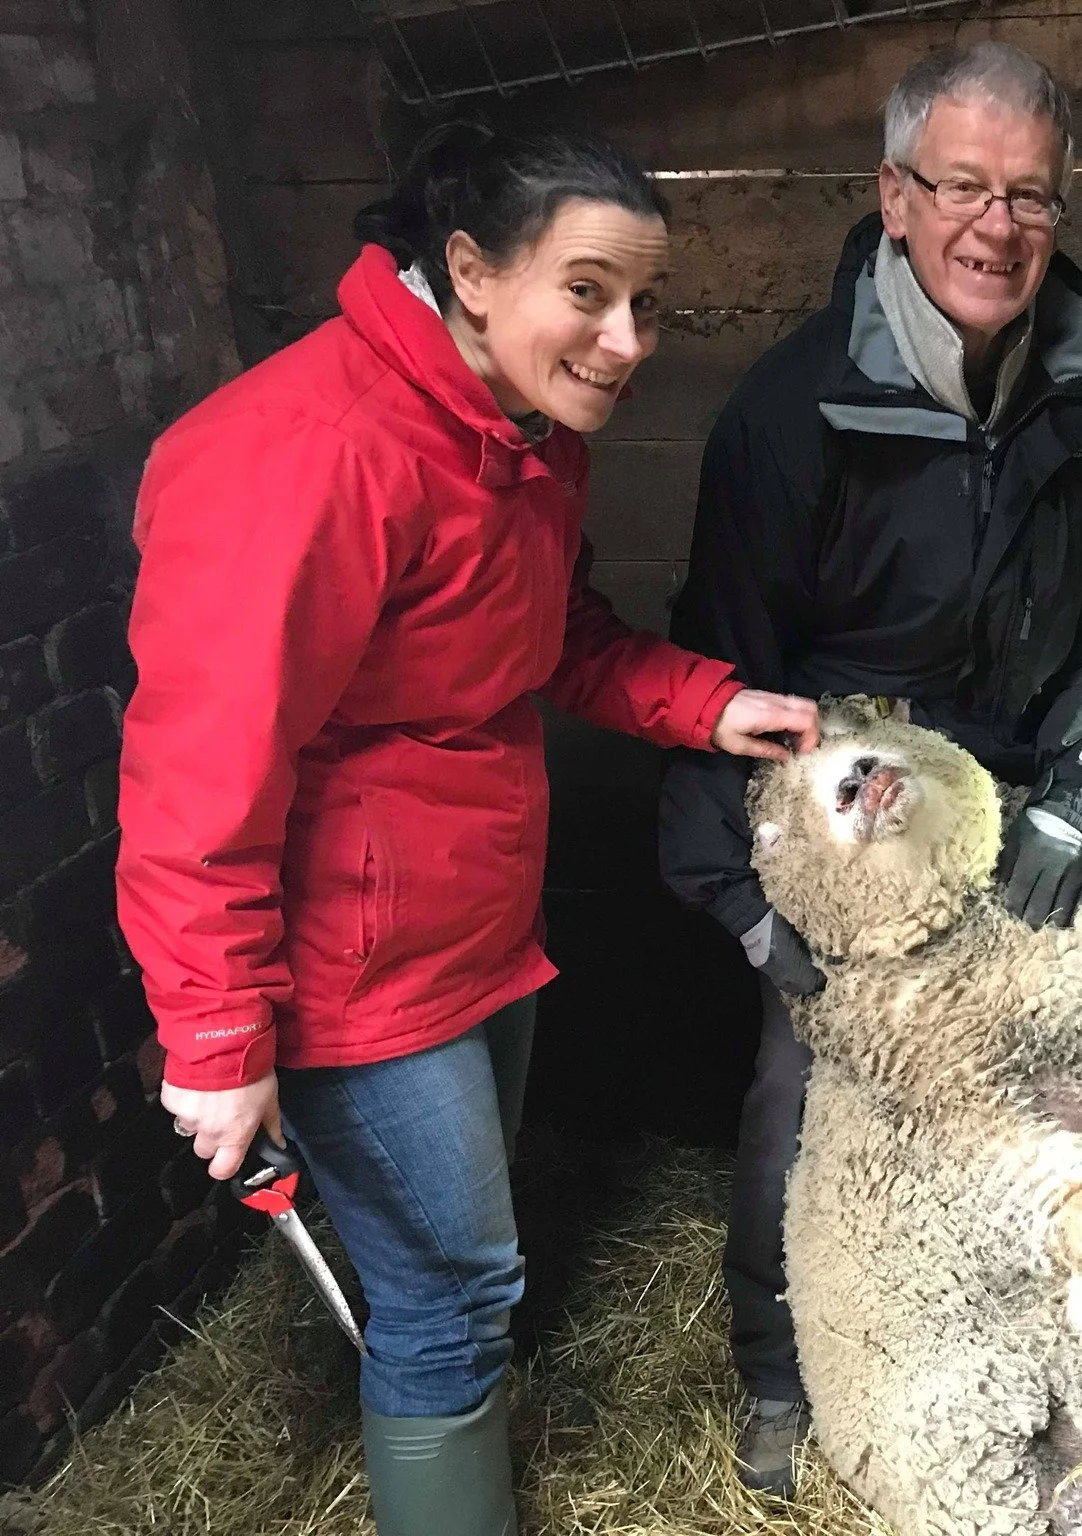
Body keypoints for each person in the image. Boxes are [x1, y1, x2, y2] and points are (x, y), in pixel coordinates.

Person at [116, 127, 819, 1536]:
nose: (626, 340)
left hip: (474, 923)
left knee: (456, 1273)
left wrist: (710, 703)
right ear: (472, 271)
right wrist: (215, 1032)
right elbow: (201, 770)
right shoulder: (309, 453)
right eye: (589, 292)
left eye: (648, 303)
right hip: (353, 962)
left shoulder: (515, 437)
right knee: (450, 1293)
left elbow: (550, 640)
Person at [658, 41, 1082, 1494]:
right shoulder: (790, 412)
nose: (995, 227)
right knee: (807, 1082)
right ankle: (783, 1369)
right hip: (855, 809)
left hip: (1026, 791)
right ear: (894, 197)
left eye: (1029, 196)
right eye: (961, 187)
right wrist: (746, 903)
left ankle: (1051, 1370)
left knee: (1079, 1065)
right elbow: (720, 667)